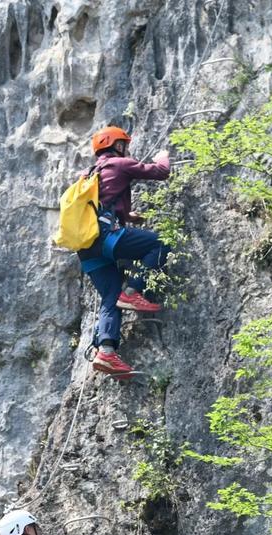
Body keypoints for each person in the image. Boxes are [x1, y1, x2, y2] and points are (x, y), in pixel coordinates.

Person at [77, 126, 171, 379]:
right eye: (124, 144)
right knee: (160, 243)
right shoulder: (119, 164)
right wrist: (163, 155)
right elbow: (161, 172)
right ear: (117, 145)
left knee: (110, 296)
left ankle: (106, 351)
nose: (127, 148)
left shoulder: (88, 174)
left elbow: (100, 205)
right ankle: (132, 292)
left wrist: (128, 216)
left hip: (86, 247)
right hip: (106, 237)